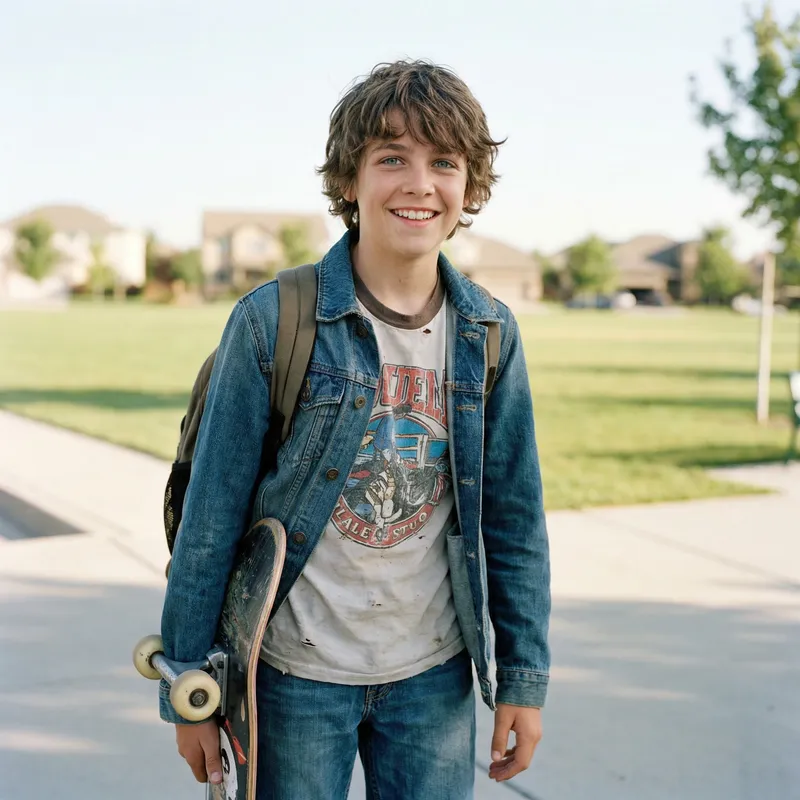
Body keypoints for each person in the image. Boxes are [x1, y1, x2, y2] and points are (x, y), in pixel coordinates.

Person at [160, 59, 551, 800]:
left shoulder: (489, 334)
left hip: (433, 680)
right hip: (293, 678)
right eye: (391, 158)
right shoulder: (273, 322)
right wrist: (186, 678)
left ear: (469, 187)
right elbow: (209, 520)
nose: (419, 184)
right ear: (350, 179)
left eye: (444, 162)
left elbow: (516, 520)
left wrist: (523, 681)